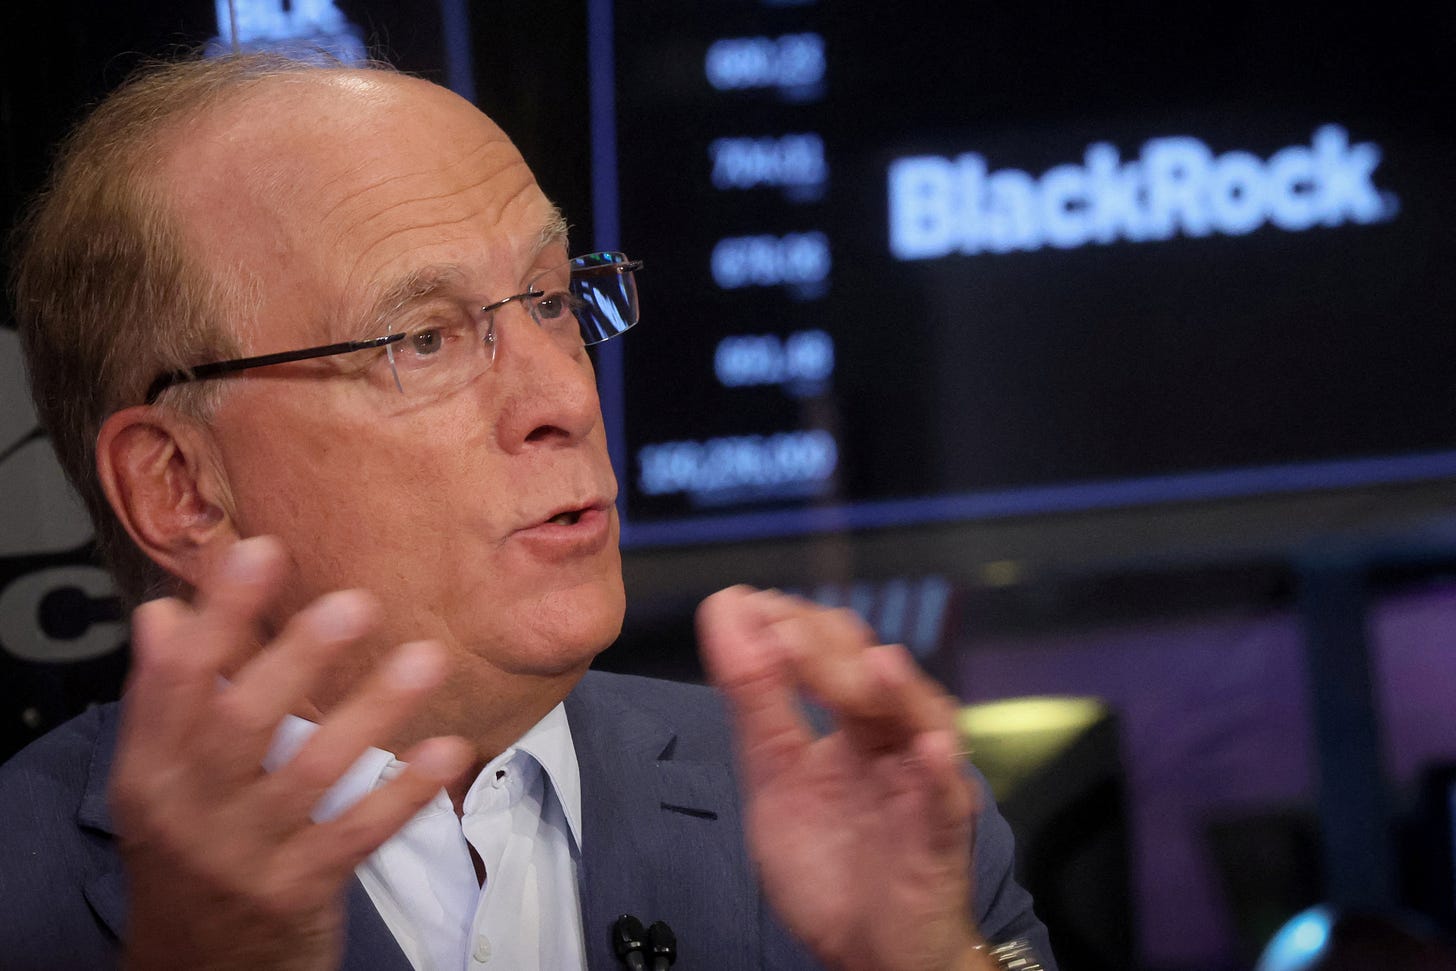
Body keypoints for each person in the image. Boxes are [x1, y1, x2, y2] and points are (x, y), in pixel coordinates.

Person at [0, 53, 1055, 970]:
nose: (561, 396)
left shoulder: (867, 809)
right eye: (422, 337)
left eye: (553, 301)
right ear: (180, 483)